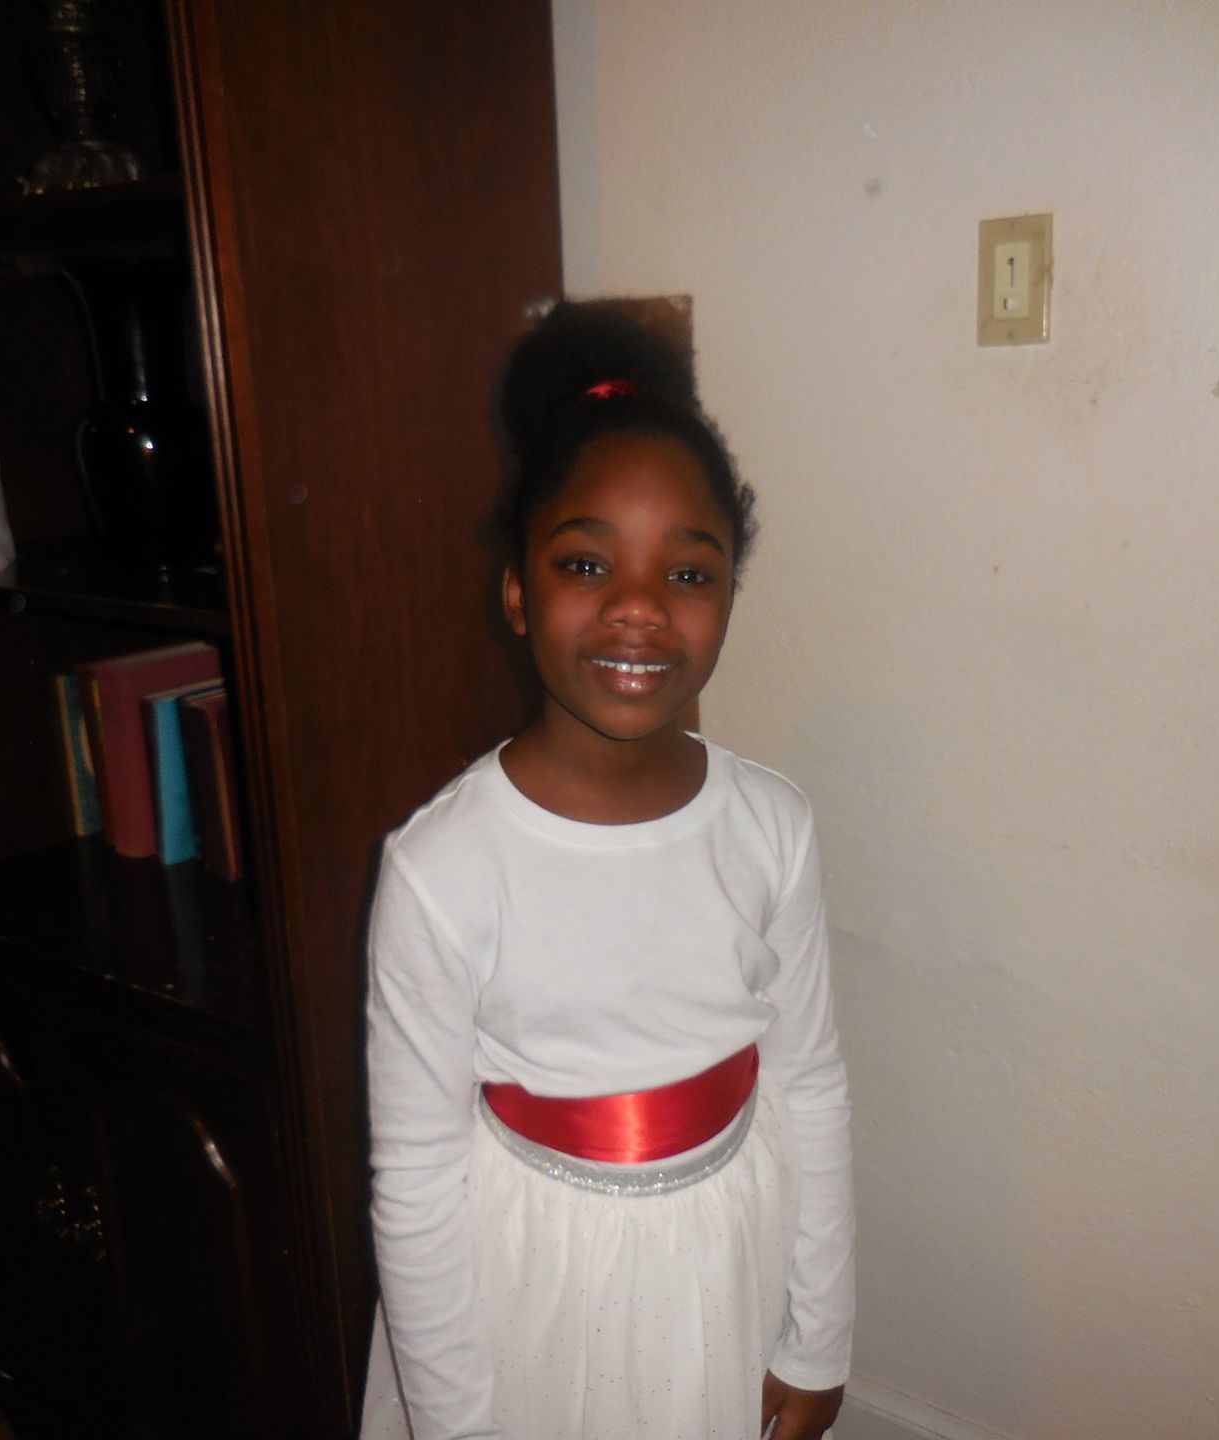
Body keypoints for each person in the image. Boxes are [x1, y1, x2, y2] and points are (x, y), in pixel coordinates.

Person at [361, 302, 854, 1439]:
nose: (637, 606)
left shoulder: (772, 828)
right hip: (529, 1289)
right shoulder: (444, 867)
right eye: (587, 562)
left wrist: (818, 1332)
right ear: (520, 591)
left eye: (689, 573)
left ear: (731, 596)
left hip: (727, 1263)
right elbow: (419, 1183)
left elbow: (812, 1086)